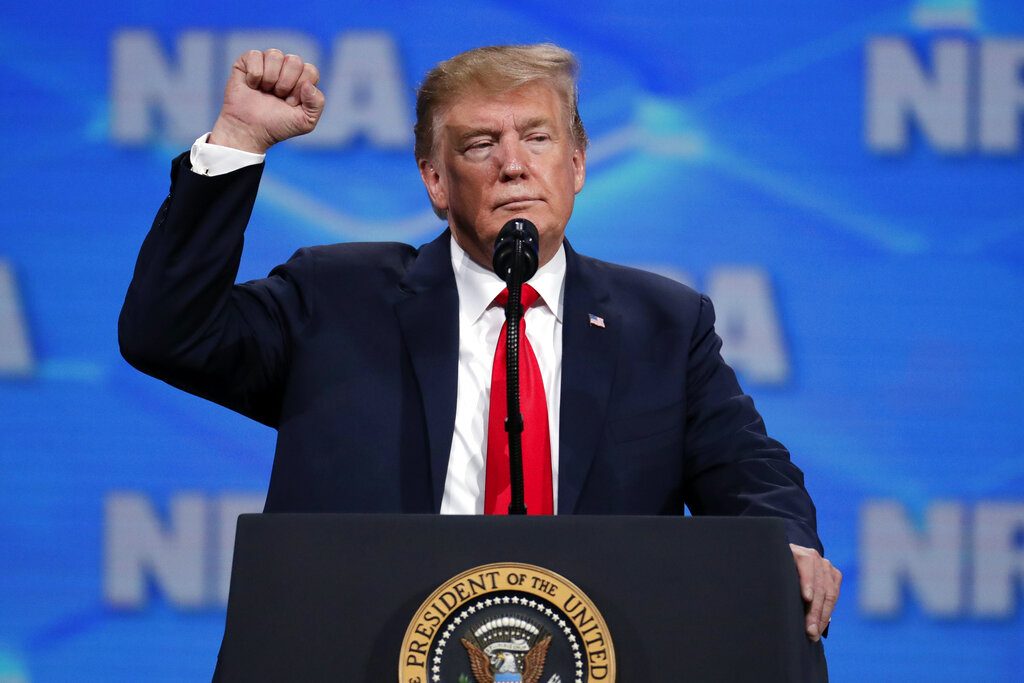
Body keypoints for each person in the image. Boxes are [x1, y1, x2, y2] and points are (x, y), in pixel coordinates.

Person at [119, 44, 840, 641]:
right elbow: (168, 333)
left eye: (537, 136)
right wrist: (239, 142)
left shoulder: (664, 323)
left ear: (579, 164)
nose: (513, 164)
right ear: (435, 181)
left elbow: (749, 471)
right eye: (479, 145)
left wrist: (785, 544)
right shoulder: (336, 298)